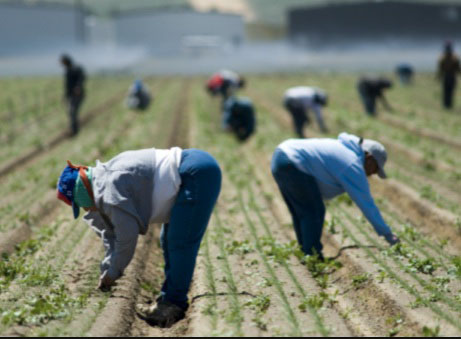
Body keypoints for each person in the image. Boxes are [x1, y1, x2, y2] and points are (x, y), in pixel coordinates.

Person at [56, 147, 222, 327]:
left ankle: (174, 303)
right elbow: (110, 233)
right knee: (168, 239)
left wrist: (113, 273)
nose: (84, 209)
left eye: (79, 205)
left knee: (180, 242)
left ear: (81, 193)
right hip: (194, 167)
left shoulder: (111, 189)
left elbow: (126, 238)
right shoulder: (102, 180)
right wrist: (107, 269)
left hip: (196, 174)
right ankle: (168, 299)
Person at [271, 132, 400, 259]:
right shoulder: (352, 163)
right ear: (369, 158)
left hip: (281, 155)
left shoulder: (344, 150)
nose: (372, 174)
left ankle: (306, 252)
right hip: (293, 161)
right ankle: (312, 256)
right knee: (313, 211)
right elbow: (366, 202)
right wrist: (387, 233)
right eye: (375, 169)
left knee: (302, 212)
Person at [60, 54, 86, 136]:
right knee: (71, 112)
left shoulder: (76, 69)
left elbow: (81, 78)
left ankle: (74, 131)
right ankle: (73, 129)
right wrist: (65, 96)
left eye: (63, 62)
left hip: (77, 95)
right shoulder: (68, 70)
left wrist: (78, 87)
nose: (62, 64)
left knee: (73, 112)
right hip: (71, 95)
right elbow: (67, 85)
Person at [437, 41, 461, 109]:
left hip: (447, 76)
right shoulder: (455, 58)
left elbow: (440, 69)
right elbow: (458, 69)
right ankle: (448, 105)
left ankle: (446, 105)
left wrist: (439, 76)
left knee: (446, 91)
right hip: (451, 76)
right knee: (450, 91)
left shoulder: (442, 58)